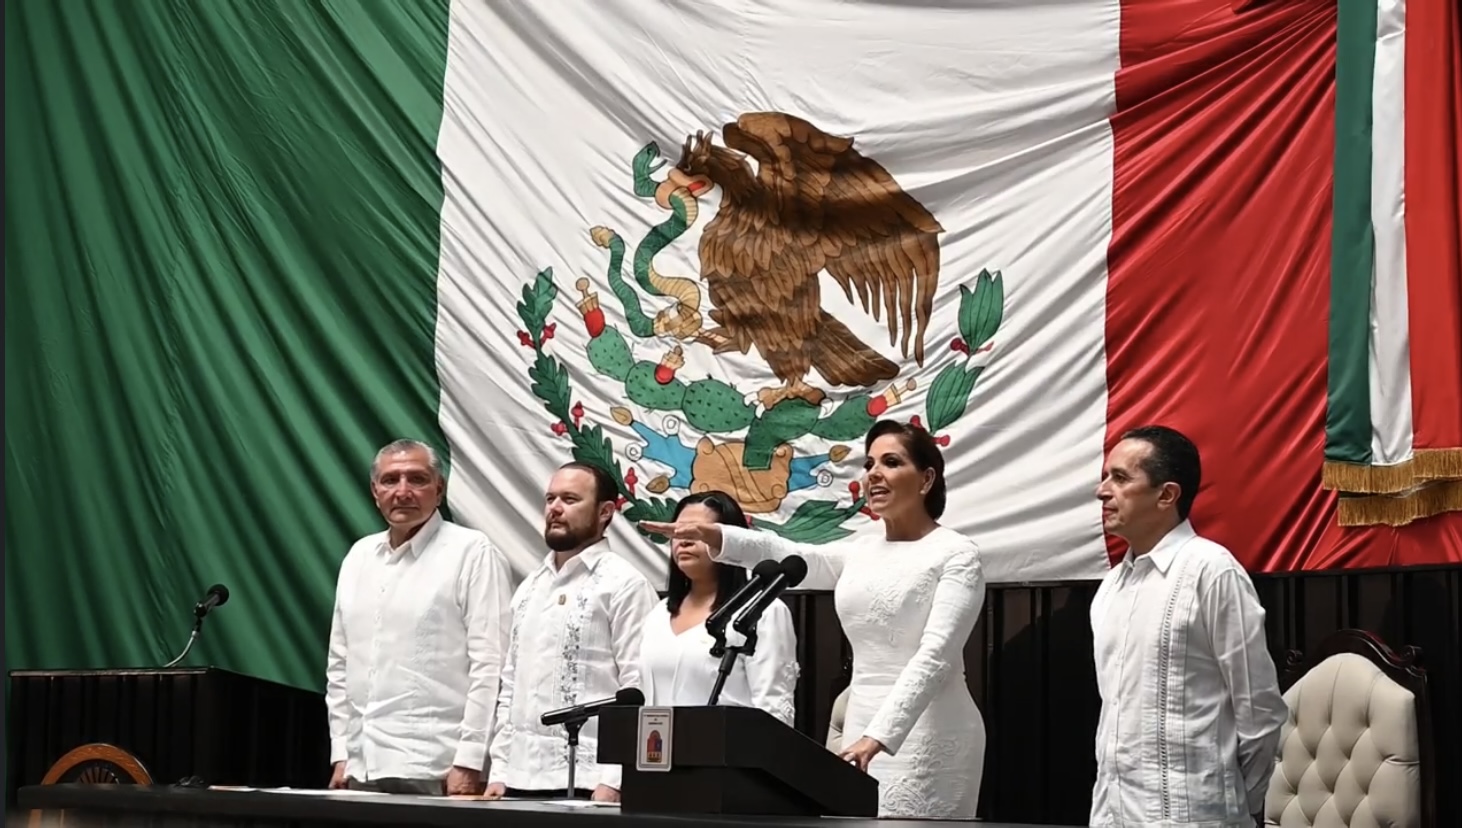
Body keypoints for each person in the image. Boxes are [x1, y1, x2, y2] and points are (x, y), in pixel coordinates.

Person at [641, 419, 987, 818]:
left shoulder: (957, 554)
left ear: (926, 478)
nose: (874, 473)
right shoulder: (861, 552)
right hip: (859, 723)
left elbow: (937, 656)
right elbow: (790, 552)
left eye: (891, 462)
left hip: (930, 731)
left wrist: (878, 737)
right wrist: (716, 536)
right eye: (869, 464)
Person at [1090, 425, 1286, 828]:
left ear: (1167, 495)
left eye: (1121, 478)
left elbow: (1260, 711)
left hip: (1196, 816)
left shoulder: (1211, 571)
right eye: (1106, 476)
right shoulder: (1110, 588)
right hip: (1112, 815)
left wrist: (1231, 803)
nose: (1102, 491)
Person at [325, 439, 513, 795]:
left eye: (417, 479)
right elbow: (340, 665)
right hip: (361, 764)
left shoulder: (472, 553)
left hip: (438, 767)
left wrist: (470, 760)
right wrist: (341, 751)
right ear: (374, 490)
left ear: (439, 490)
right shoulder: (359, 557)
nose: (403, 491)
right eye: (391, 480)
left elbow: (491, 667)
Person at [484, 462, 660, 802]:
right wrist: (500, 770)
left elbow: (640, 690)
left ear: (605, 511)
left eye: (570, 499)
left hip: (588, 780)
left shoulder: (623, 584)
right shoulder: (530, 587)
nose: (555, 509)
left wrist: (614, 781)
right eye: (550, 499)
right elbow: (511, 686)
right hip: (517, 780)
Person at [638, 491, 799, 725]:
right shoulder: (658, 614)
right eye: (677, 531)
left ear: (729, 540)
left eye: (696, 532)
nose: (683, 540)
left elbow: (774, 710)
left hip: (730, 757)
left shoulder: (763, 611)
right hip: (656, 755)